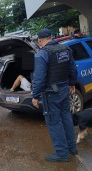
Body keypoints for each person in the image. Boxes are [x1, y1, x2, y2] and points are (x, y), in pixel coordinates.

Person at [32, 28, 78, 162]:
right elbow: (73, 68)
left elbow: (39, 78)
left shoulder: (42, 54)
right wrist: (72, 83)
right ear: (51, 37)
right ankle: (72, 148)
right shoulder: (65, 49)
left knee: (54, 122)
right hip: (64, 89)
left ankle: (62, 154)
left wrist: (35, 96)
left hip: (51, 94)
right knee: (66, 118)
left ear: (40, 41)